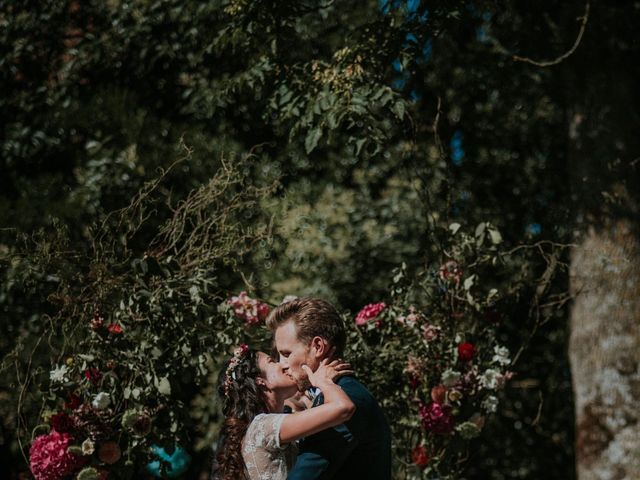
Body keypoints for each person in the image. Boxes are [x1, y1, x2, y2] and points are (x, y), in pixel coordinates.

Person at [267, 297, 392, 480]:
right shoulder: (340, 392)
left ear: (318, 347)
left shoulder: (345, 398)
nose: (281, 364)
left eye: (286, 354)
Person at [213, 344, 355, 480]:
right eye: (272, 361)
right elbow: (343, 407)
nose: (284, 364)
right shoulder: (262, 426)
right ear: (260, 381)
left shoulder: (266, 426)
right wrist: (324, 381)